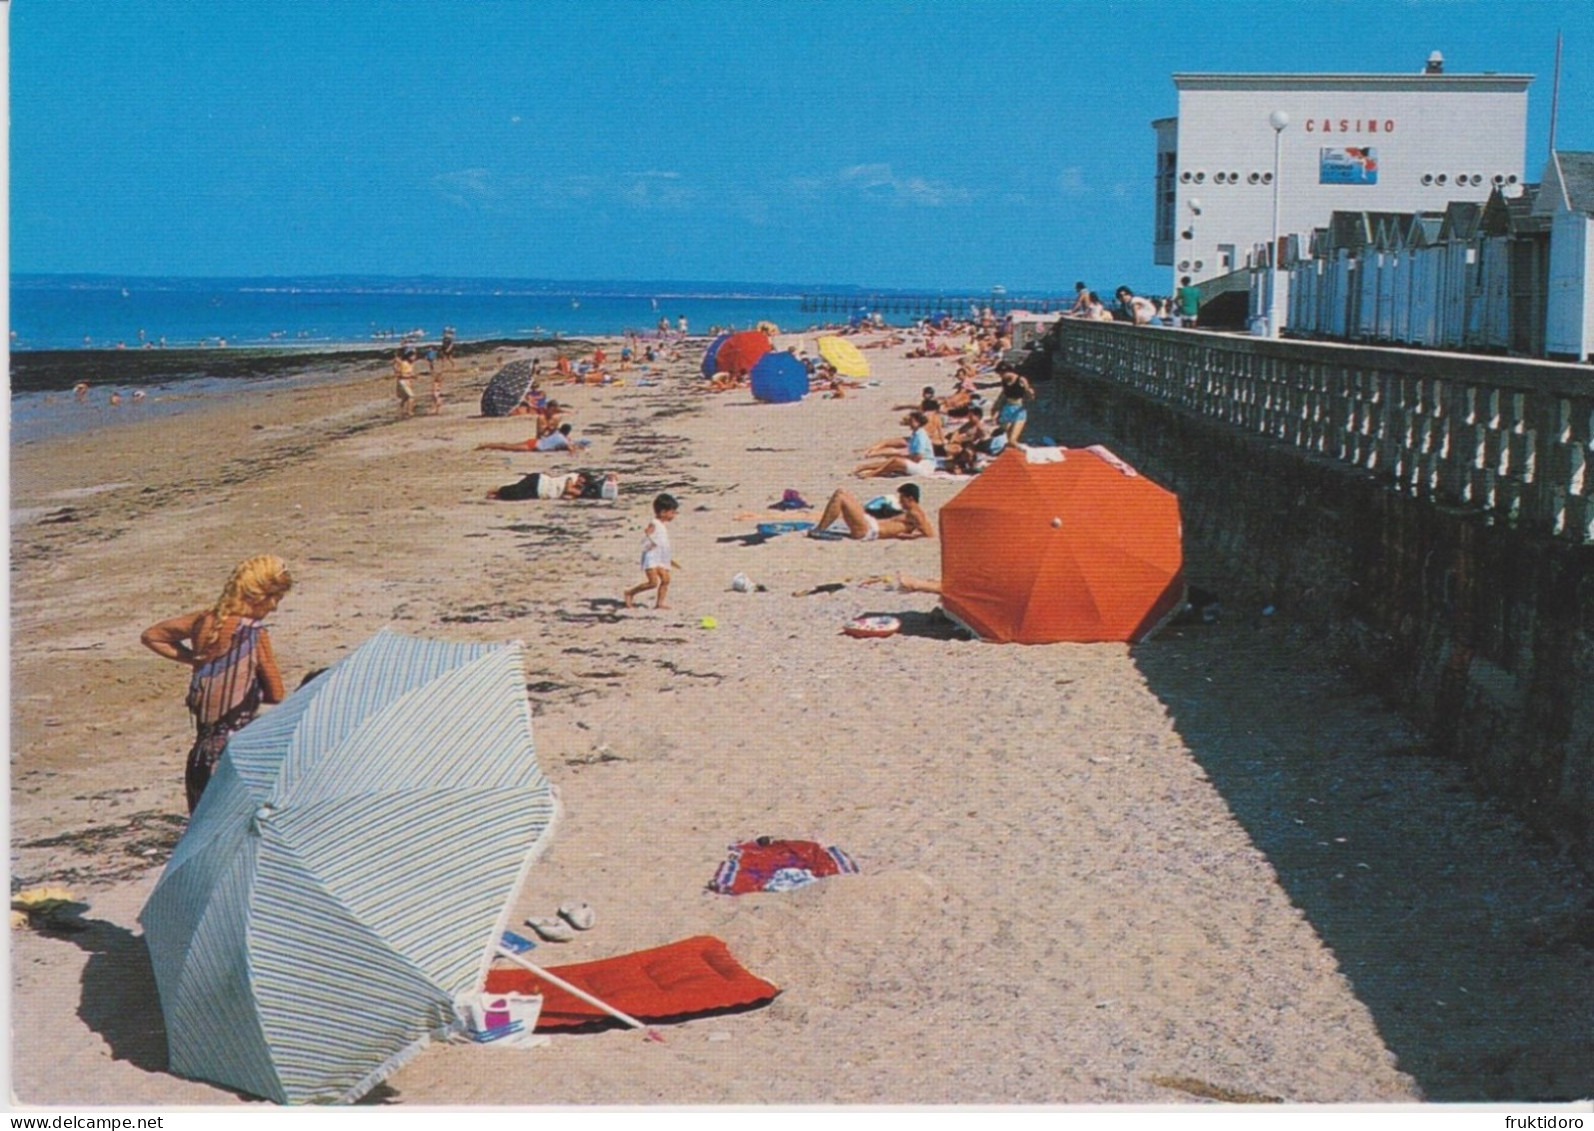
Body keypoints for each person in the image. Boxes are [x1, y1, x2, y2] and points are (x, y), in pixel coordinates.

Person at [140, 555, 293, 812]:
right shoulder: (255, 634)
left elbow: (152, 636)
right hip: (236, 754)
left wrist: (196, 661)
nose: (274, 607)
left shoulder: (203, 621)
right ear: (259, 596)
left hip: (201, 752)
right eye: (274, 599)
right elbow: (276, 693)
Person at [809, 483, 934, 541]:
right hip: (871, 524)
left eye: (902, 498)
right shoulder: (910, 512)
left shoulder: (915, 514)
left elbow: (929, 534)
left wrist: (906, 536)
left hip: (869, 531)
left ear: (910, 498)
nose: (900, 500)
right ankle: (821, 528)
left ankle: (820, 530)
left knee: (840, 496)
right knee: (842, 492)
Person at [624, 493, 681, 609]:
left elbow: (662, 544)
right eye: (672, 512)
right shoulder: (654, 523)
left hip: (660, 557)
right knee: (653, 582)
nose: (674, 515)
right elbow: (647, 536)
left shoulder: (662, 525)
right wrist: (648, 534)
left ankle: (660, 603)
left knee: (666, 579)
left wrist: (668, 559)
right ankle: (630, 593)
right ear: (663, 512)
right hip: (651, 557)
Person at [990, 362, 1036, 446]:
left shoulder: (1021, 380)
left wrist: (1030, 392)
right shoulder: (1004, 381)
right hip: (1007, 408)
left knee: (1012, 440)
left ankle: (1024, 451)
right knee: (1004, 437)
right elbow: (1003, 396)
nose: (1001, 376)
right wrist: (996, 410)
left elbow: (1029, 394)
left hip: (1018, 409)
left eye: (1001, 374)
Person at [486, 470, 588, 501]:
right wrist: (578, 492)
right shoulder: (573, 476)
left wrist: (575, 494)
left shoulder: (576, 487)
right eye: (582, 481)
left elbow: (566, 496)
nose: (581, 483)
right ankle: (496, 490)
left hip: (539, 493)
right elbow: (568, 488)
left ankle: (497, 495)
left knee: (516, 496)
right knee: (516, 490)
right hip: (540, 481)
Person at [393, 350, 416, 418]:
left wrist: (412, 376)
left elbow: (409, 373)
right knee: (411, 397)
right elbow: (401, 375)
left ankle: (401, 412)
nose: (414, 358)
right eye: (413, 356)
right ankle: (409, 411)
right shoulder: (404, 364)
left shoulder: (411, 364)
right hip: (403, 382)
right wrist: (411, 376)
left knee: (405, 398)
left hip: (406, 382)